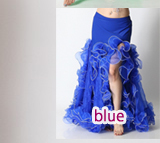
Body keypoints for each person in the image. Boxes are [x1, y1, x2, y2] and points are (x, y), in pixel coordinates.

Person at [63, 8, 155, 136]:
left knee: (113, 71)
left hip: (122, 26)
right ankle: (106, 114)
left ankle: (117, 116)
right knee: (101, 70)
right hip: (101, 23)